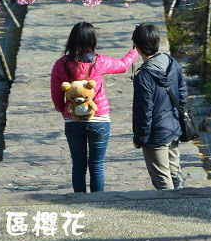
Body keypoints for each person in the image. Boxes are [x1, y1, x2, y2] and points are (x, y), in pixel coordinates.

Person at [51, 21, 137, 193]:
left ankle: (79, 201)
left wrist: (63, 111)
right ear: (93, 40)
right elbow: (123, 66)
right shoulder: (100, 62)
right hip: (99, 120)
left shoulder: (61, 64)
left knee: (78, 165)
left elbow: (56, 94)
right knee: (97, 166)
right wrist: (133, 52)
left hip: (73, 121)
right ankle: (98, 203)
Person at [131, 22, 187, 190]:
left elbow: (144, 111)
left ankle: (173, 213)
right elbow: (183, 94)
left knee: (162, 181)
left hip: (155, 134)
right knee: (175, 173)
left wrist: (140, 138)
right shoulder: (172, 63)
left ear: (137, 47)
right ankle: (186, 205)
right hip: (174, 128)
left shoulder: (144, 76)